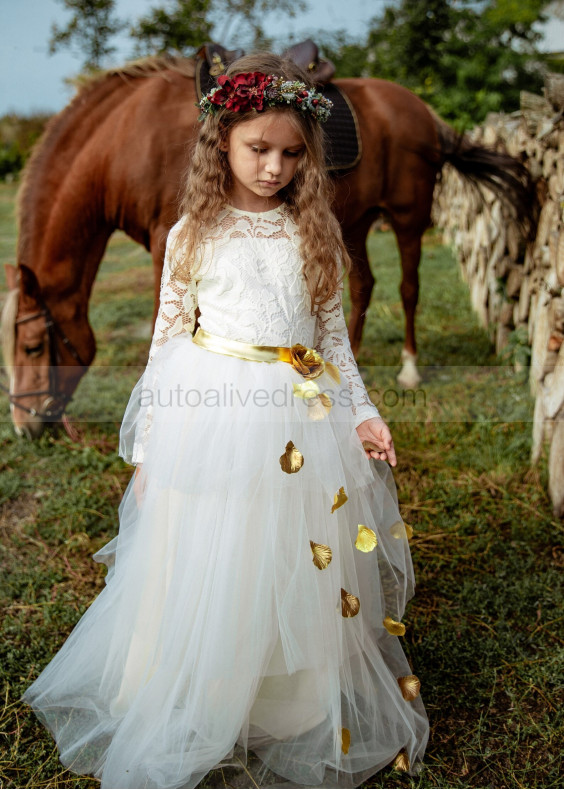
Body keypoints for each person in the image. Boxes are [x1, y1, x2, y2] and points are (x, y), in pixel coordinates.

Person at [22, 53, 429, 789]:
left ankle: (284, 697)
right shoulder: (191, 235)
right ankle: (204, 688)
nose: (273, 167)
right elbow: (168, 340)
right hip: (213, 412)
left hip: (299, 415)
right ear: (222, 144)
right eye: (257, 149)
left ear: (308, 157)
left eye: (289, 153)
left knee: (288, 548)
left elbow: (331, 337)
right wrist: (151, 450)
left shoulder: (317, 233)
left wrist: (362, 412)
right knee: (216, 548)